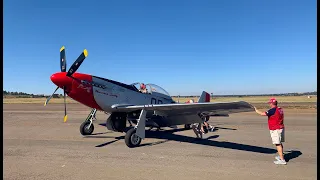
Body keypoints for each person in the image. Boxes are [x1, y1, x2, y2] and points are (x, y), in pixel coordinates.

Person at [254, 98, 286, 165]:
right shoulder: (280, 109)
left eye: (270, 103)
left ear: (272, 103)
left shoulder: (272, 110)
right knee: (279, 143)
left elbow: (263, 114)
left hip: (275, 129)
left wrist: (256, 110)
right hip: (281, 127)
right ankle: (281, 156)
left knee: (278, 144)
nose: (270, 104)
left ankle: (282, 160)